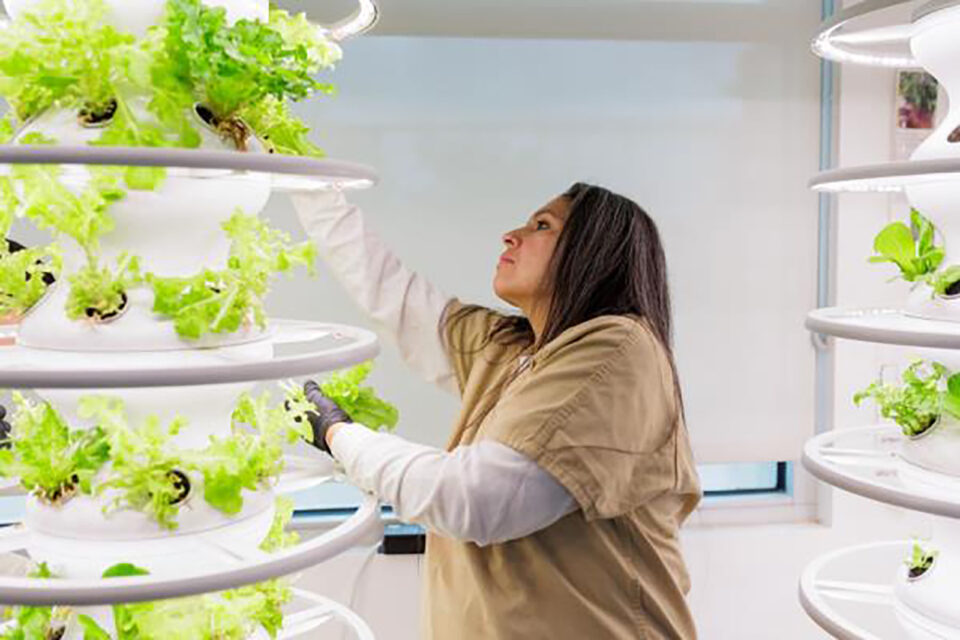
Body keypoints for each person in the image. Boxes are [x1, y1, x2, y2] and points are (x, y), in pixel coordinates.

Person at [292, 183, 702, 639]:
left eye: (542, 225)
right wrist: (309, 190)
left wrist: (340, 436)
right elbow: (391, 294)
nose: (510, 235)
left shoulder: (615, 352)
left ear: (594, 252)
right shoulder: (517, 348)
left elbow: (474, 500)